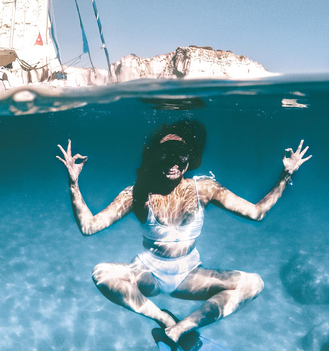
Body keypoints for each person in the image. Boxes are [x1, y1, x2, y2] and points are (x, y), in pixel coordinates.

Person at [56, 120, 311, 350]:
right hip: (148, 273)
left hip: (189, 275)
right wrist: (73, 183)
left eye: (181, 156)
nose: (173, 163)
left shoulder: (205, 189)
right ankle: (164, 319)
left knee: (253, 283)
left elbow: (256, 213)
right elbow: (89, 227)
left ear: (190, 159)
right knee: (101, 273)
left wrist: (285, 175)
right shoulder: (136, 195)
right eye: (166, 155)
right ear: (156, 157)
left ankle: (180, 329)